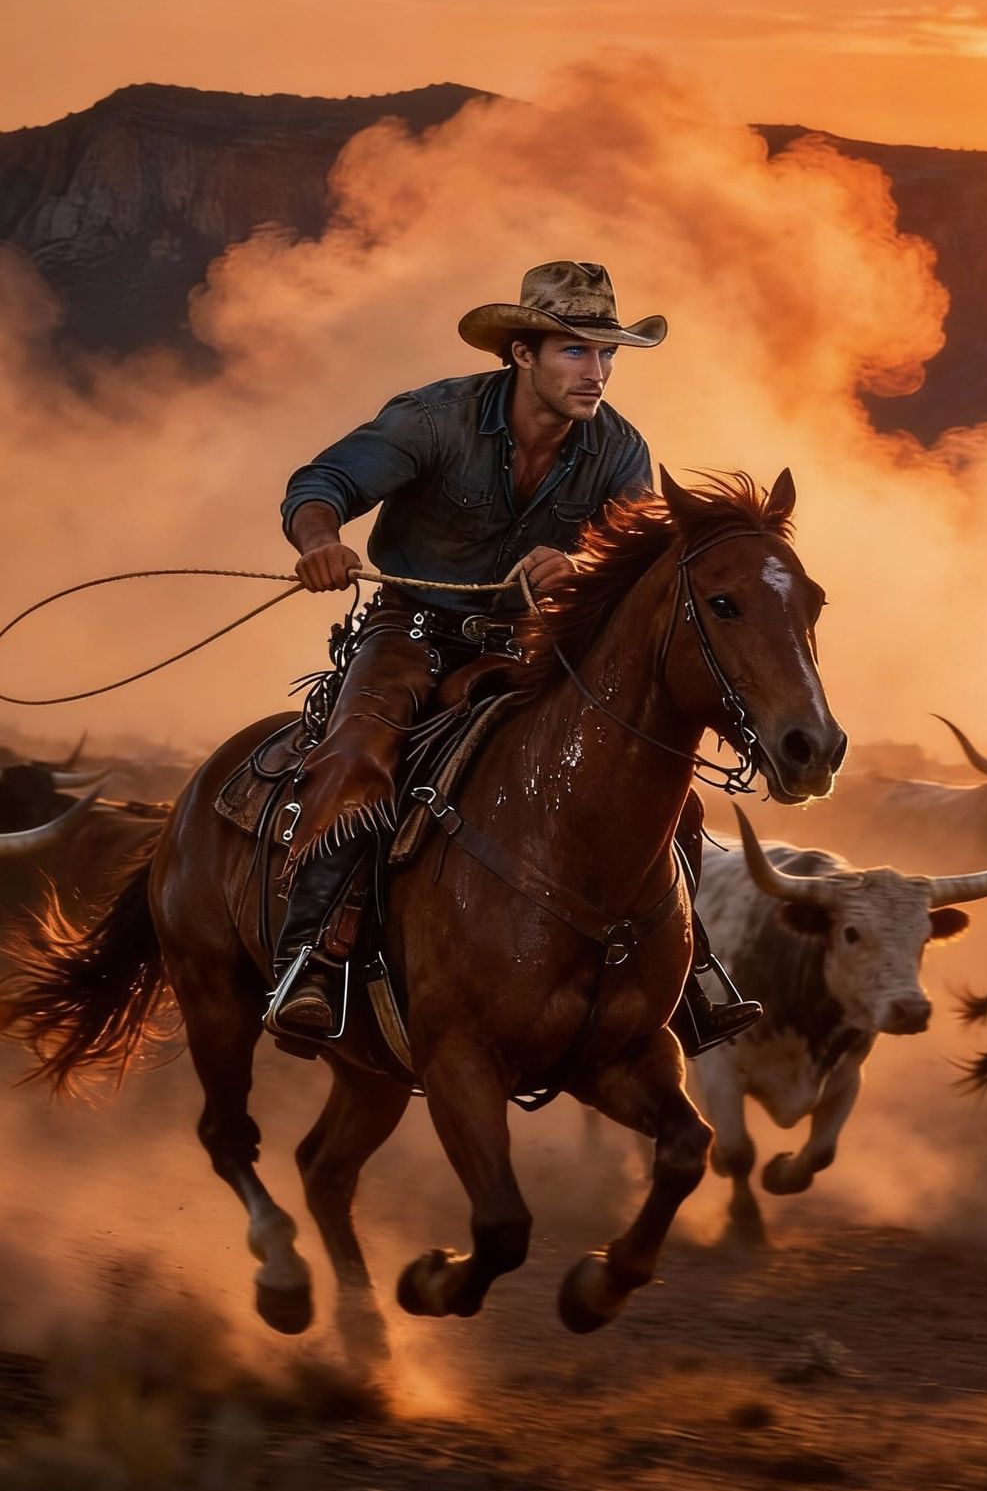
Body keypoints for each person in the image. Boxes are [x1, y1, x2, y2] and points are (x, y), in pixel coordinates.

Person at [269, 259, 760, 1055]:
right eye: (575, 351)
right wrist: (320, 542)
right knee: (357, 756)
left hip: (531, 645)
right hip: (412, 631)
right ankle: (309, 962)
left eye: (607, 354)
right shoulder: (436, 419)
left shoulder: (618, 447)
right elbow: (321, 483)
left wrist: (580, 565)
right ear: (522, 353)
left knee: (665, 791)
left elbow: (633, 554)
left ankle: (688, 970)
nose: (597, 372)